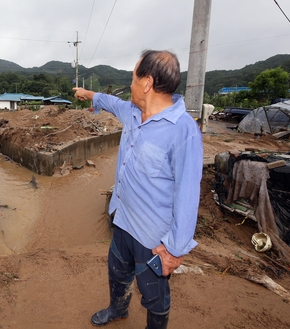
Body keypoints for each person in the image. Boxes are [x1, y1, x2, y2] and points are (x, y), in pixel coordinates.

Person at [73, 50, 203, 328]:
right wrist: (89, 94)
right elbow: (109, 101)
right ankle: (118, 309)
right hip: (122, 221)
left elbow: (188, 196)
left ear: (146, 83)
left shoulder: (183, 131)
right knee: (117, 274)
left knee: (154, 295)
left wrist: (175, 250)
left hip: (152, 238)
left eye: (132, 78)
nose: (129, 84)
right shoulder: (133, 112)